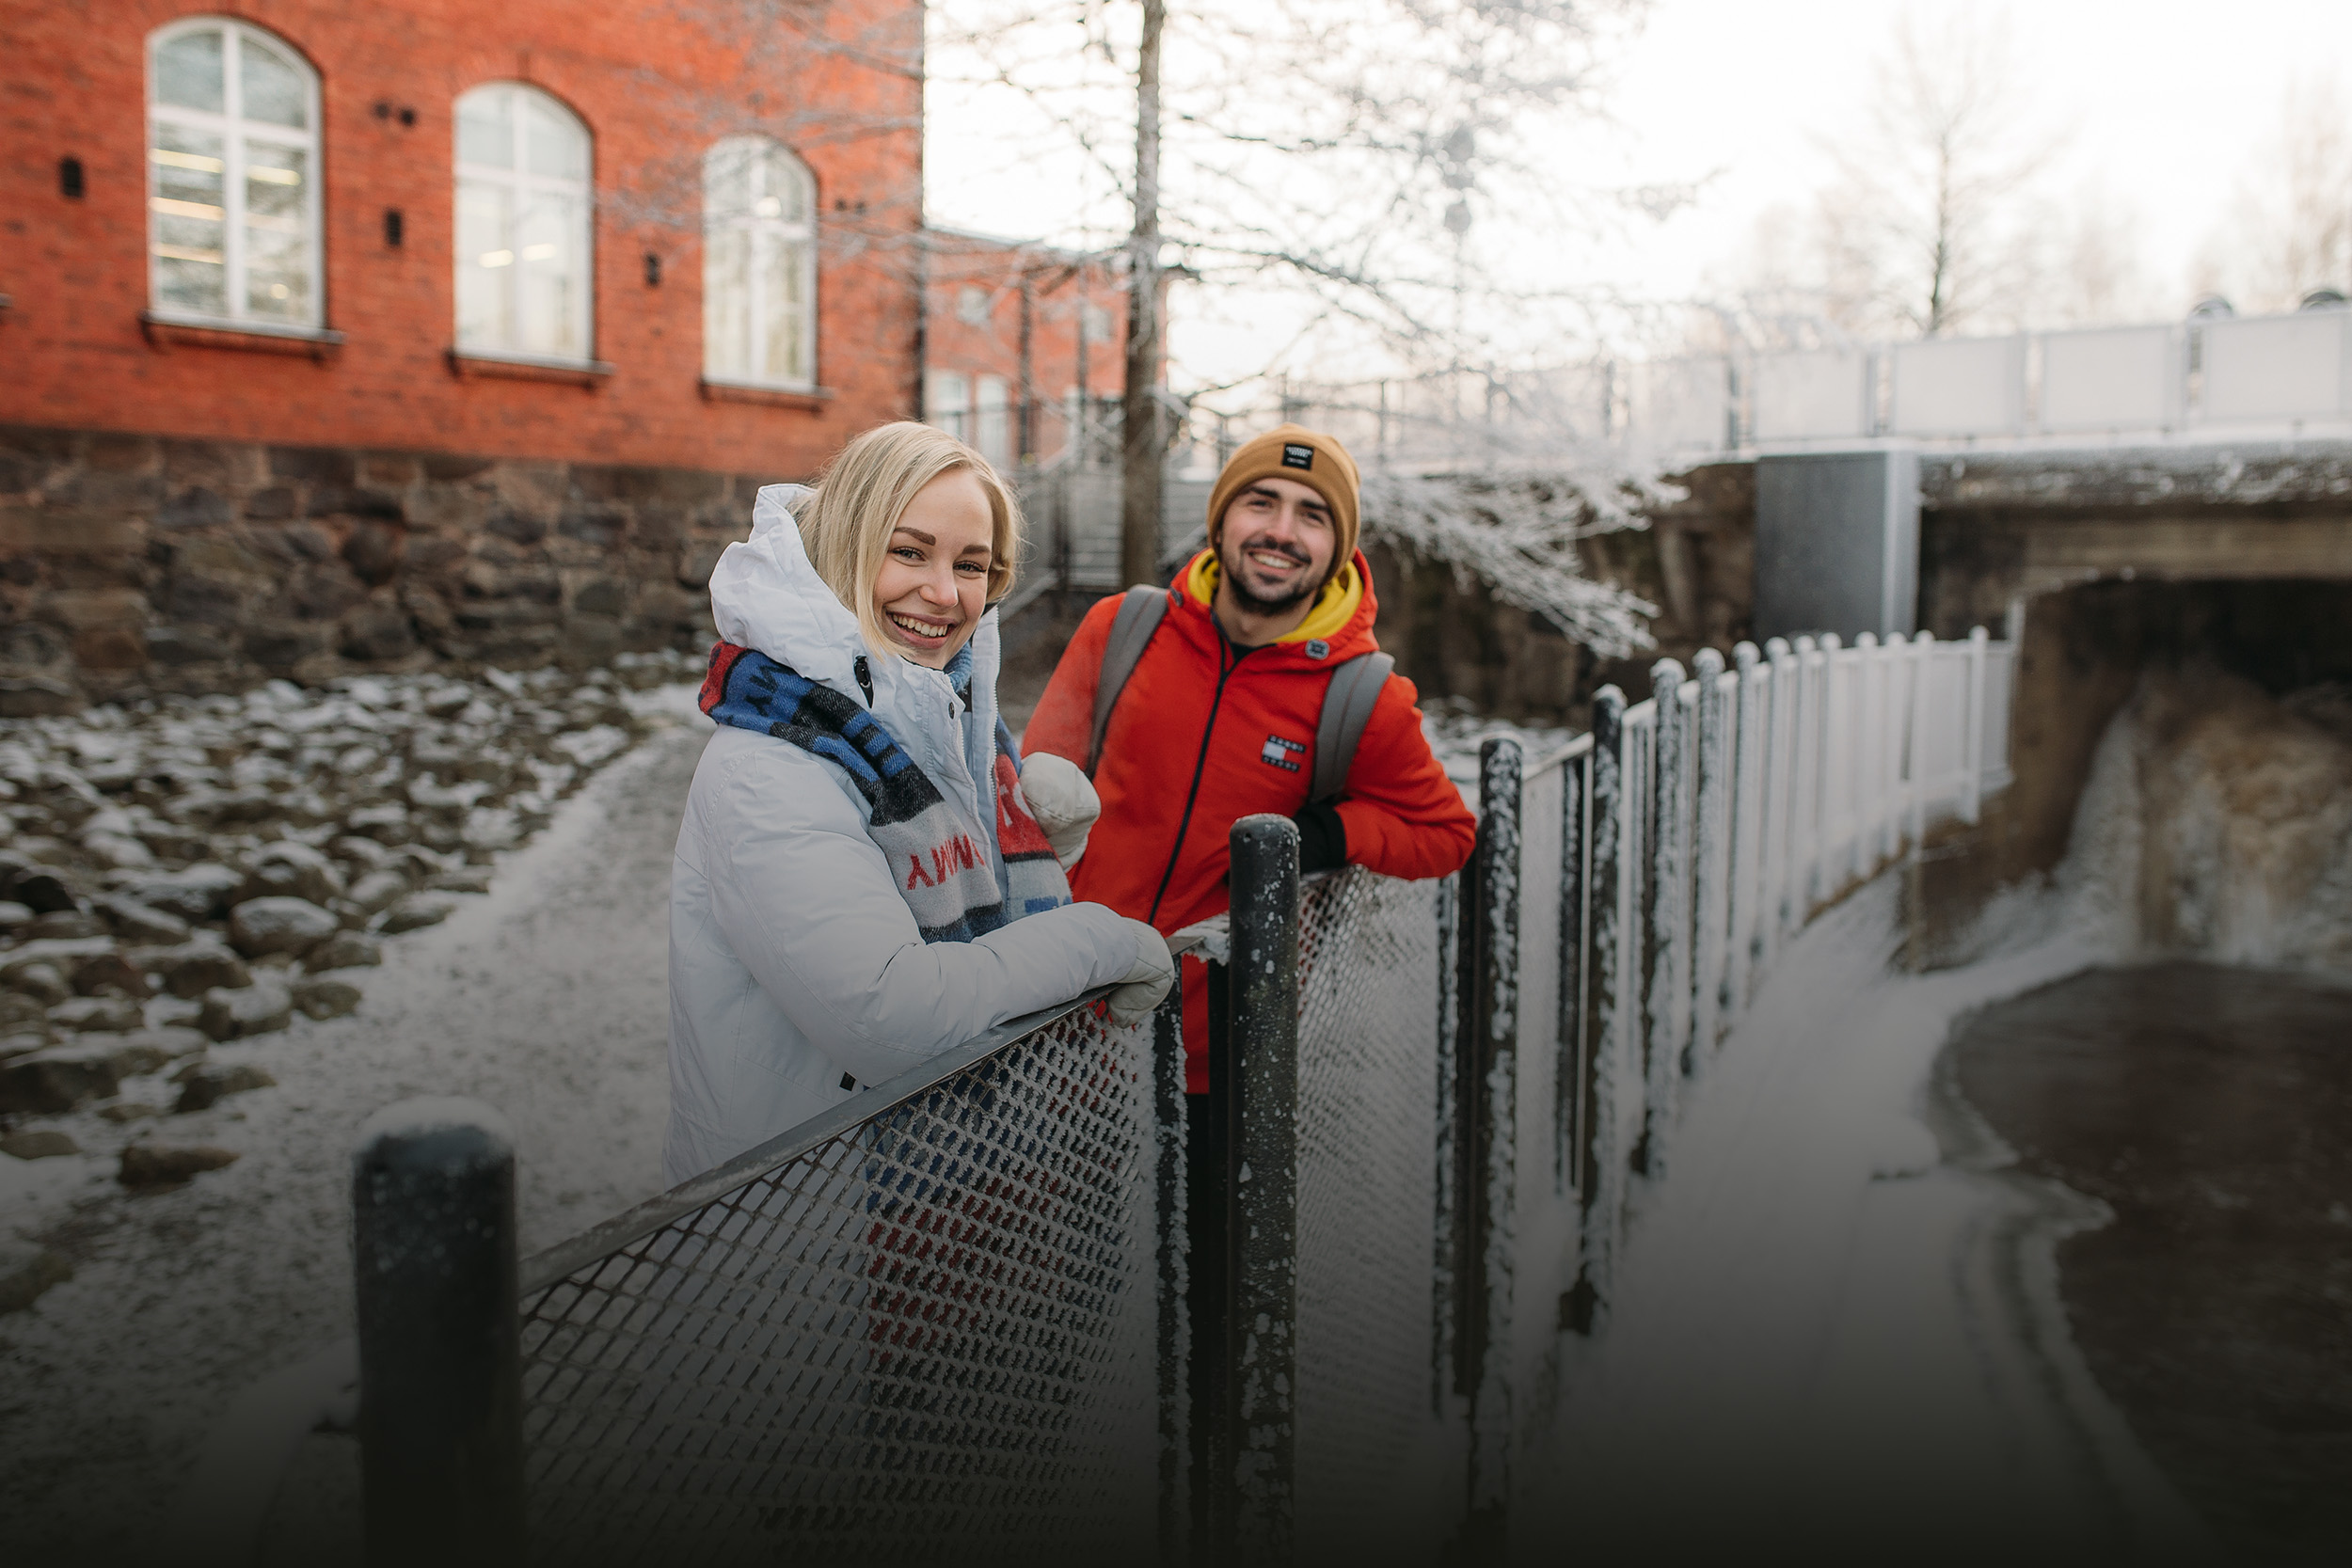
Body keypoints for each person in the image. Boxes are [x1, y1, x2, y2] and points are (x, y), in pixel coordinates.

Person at [662, 421, 1174, 1184]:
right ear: (848, 545)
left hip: (940, 1217)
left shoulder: (945, 716)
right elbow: (895, 1020)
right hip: (795, 1244)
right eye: (909, 550)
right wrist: (1094, 941)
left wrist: (1031, 844)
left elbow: (915, 894)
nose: (944, 592)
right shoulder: (769, 765)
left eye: (972, 564)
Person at [1019, 423, 1477, 1094]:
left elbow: (1448, 834)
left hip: (1213, 1060)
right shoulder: (1121, 629)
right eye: (1260, 501)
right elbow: (1029, 805)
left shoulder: (1363, 695)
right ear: (1223, 517)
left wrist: (1332, 833)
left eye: (1312, 515)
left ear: (1340, 547)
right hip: (1052, 1020)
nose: (1282, 531)